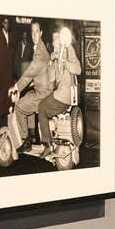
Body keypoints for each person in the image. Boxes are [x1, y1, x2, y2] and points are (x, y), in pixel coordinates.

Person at [37, 26, 81, 158]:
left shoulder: (68, 49)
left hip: (66, 93)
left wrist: (65, 62)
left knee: (41, 108)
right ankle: (52, 136)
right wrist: (51, 62)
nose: (56, 42)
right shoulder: (57, 56)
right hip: (61, 92)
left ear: (62, 39)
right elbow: (52, 79)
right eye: (54, 39)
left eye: (58, 38)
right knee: (44, 103)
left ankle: (47, 145)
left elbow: (78, 69)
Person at [9, 21, 52, 152]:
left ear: (41, 33)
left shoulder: (40, 51)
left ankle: (25, 140)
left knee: (19, 106)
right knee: (28, 95)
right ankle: (32, 132)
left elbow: (30, 72)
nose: (34, 35)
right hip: (44, 89)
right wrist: (34, 82)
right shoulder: (39, 48)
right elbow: (40, 70)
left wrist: (16, 87)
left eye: (37, 32)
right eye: (32, 32)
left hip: (43, 93)